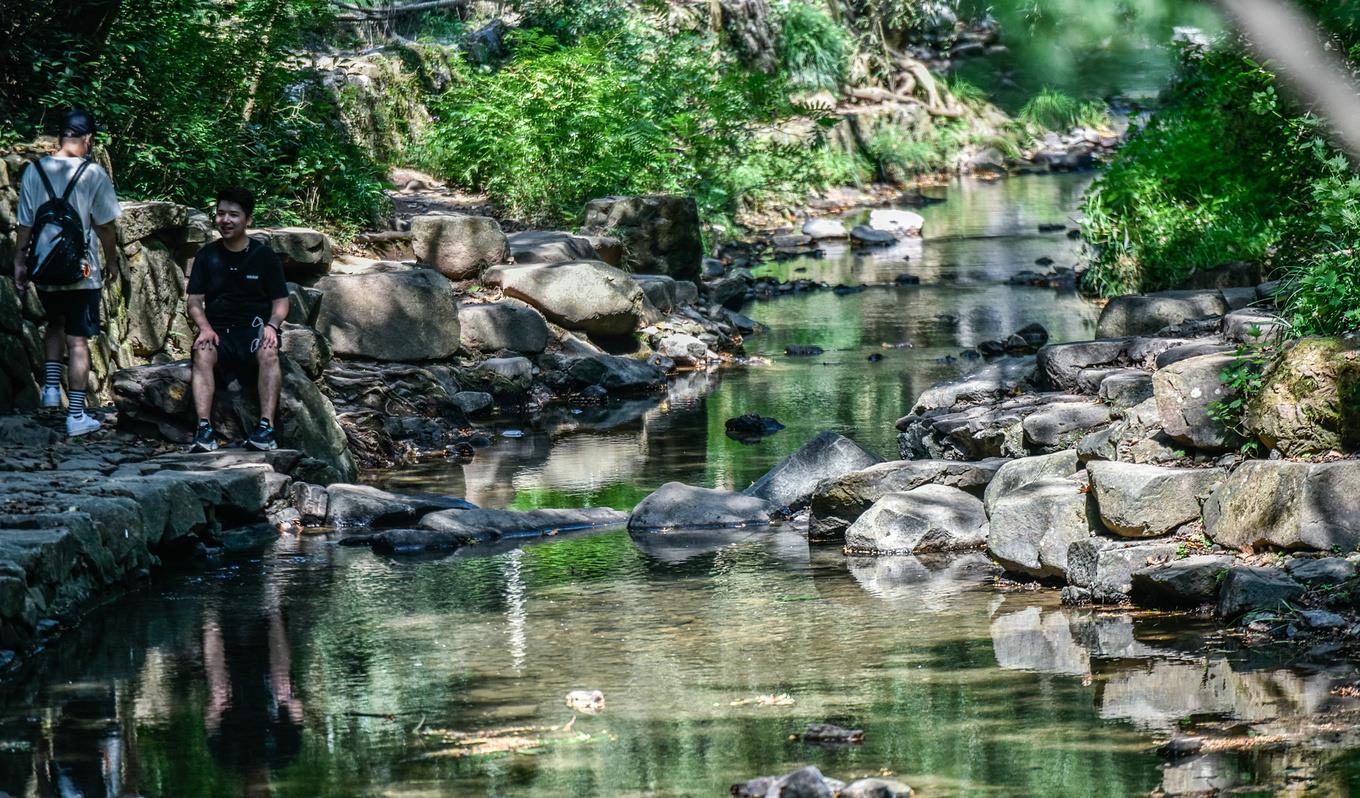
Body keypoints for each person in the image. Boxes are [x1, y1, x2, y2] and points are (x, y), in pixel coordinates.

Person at [12, 108, 121, 437]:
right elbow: (104, 225)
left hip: (44, 269)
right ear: (87, 139)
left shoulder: (35, 171)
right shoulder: (93, 174)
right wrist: (112, 259)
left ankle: (48, 391)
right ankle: (75, 415)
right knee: (78, 341)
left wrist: (20, 260)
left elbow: (25, 224)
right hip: (82, 272)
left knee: (53, 325)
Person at [187, 187, 288, 452]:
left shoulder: (263, 256)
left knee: (269, 351)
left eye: (234, 214)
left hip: (254, 330)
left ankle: (266, 428)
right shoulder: (206, 256)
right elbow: (195, 301)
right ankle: (204, 430)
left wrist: (272, 326)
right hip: (219, 332)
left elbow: (281, 301)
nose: (226, 220)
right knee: (202, 351)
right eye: (221, 214)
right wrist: (204, 328)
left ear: (248, 219)